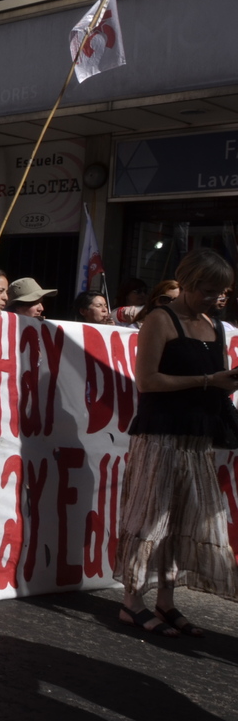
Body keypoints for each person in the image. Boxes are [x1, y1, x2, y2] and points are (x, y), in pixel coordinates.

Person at [117, 249, 238, 637]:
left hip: (197, 437)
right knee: (150, 518)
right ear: (187, 282)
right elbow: (147, 381)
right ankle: (131, 602)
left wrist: (223, 385)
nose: (214, 298)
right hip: (161, 435)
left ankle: (166, 601)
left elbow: (217, 382)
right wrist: (207, 381)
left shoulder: (214, 325)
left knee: (185, 519)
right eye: (208, 290)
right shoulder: (160, 319)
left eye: (221, 292)